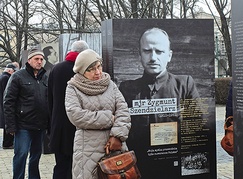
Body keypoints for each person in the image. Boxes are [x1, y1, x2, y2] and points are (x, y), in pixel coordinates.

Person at [118, 27, 202, 178]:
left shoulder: (184, 85)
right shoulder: (127, 88)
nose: (153, 58)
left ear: (169, 55)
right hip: (139, 168)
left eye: (159, 52)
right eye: (147, 51)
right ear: (140, 55)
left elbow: (196, 124)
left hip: (174, 166)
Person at [65, 49, 131, 179]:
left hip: (115, 145)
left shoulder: (110, 84)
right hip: (87, 149)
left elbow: (123, 110)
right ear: (82, 71)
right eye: (91, 69)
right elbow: (76, 115)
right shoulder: (73, 87)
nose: (98, 72)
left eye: (99, 66)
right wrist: (108, 118)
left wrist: (117, 136)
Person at [3, 48, 49, 179]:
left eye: (41, 59)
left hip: (40, 125)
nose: (39, 62)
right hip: (23, 125)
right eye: (36, 59)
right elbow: (8, 101)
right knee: (21, 154)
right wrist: (10, 126)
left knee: (35, 156)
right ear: (29, 60)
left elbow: (48, 100)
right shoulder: (17, 76)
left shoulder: (45, 77)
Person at [48, 40, 89, 179]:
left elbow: (50, 98)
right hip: (78, 124)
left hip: (59, 124)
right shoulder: (84, 70)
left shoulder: (56, 68)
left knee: (61, 164)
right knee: (76, 165)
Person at [0, 63, 18, 149]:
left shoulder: (3, 76)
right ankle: (7, 143)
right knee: (7, 123)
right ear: (10, 70)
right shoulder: (6, 78)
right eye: (14, 71)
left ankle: (7, 143)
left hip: (2, 104)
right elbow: (7, 92)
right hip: (4, 104)